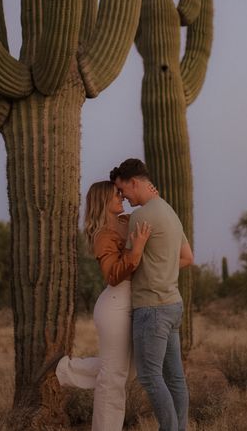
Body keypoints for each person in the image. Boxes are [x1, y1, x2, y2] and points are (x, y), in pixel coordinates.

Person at [56, 180, 151, 431]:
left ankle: (67, 369)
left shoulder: (126, 221)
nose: (121, 196)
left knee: (126, 371)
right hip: (116, 305)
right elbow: (112, 274)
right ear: (103, 201)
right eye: (116, 194)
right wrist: (137, 250)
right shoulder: (103, 235)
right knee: (112, 380)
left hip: (133, 303)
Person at [110, 158, 194, 431]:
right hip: (173, 305)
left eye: (123, 191)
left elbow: (128, 264)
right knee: (175, 379)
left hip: (151, 308)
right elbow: (187, 258)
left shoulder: (141, 217)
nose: (123, 197)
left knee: (149, 377)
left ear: (134, 182)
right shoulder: (169, 211)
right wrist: (161, 268)